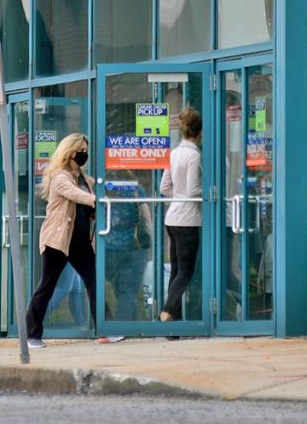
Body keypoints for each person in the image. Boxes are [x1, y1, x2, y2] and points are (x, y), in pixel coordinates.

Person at [24, 133, 123, 347]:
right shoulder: (59, 177)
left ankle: (106, 330)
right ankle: (31, 334)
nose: (84, 155)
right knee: (47, 285)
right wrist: (96, 200)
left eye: (86, 151)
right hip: (58, 240)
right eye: (81, 151)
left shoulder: (84, 179)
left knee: (94, 282)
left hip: (80, 241)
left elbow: (90, 199)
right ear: (69, 153)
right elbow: (76, 195)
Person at [160, 107, 202, 328]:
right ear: (199, 132)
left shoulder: (175, 153)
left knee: (176, 271)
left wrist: (178, 196)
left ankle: (172, 327)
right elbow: (194, 190)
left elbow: (164, 188)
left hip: (172, 218)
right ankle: (167, 311)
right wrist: (210, 192)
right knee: (185, 272)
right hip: (188, 220)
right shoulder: (194, 155)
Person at [105, 169, 152, 321]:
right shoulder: (136, 190)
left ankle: (130, 324)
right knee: (128, 291)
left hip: (108, 247)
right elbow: (146, 217)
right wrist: (151, 235)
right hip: (133, 246)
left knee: (120, 289)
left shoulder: (104, 189)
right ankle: (123, 326)